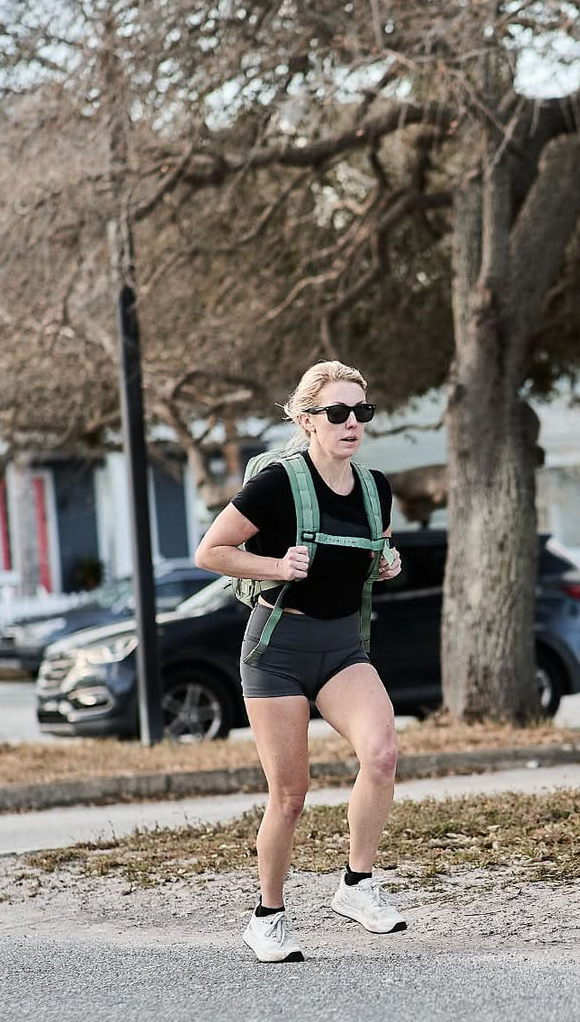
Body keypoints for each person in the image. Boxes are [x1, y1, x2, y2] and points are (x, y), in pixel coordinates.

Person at [195, 360, 406, 963]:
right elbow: (211, 551)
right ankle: (267, 915)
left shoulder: (375, 487)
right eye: (337, 413)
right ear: (306, 420)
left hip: (342, 648)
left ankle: (357, 885)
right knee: (290, 795)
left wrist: (386, 564)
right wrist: (275, 567)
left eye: (360, 413)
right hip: (277, 651)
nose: (351, 424)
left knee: (383, 753)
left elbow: (372, 552)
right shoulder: (278, 484)